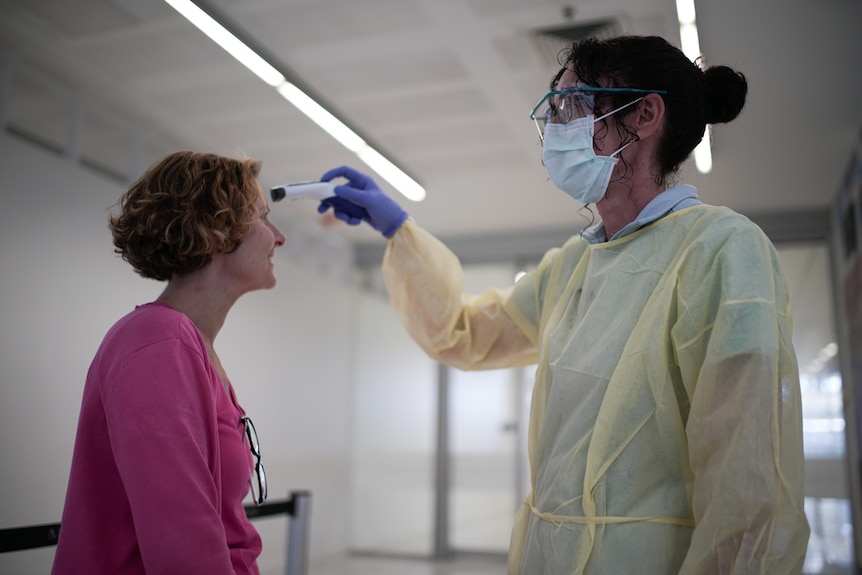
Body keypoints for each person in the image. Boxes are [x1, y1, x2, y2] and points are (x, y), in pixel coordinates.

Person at [317, 36, 810, 573]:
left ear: (644, 114)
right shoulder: (573, 266)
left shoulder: (721, 249)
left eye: (573, 105)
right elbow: (463, 333)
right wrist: (399, 231)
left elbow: (748, 485)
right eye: (553, 110)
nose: (555, 127)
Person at [53, 151, 286, 574]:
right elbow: (184, 550)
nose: (279, 237)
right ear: (217, 230)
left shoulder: (192, 346)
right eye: (262, 217)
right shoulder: (158, 344)